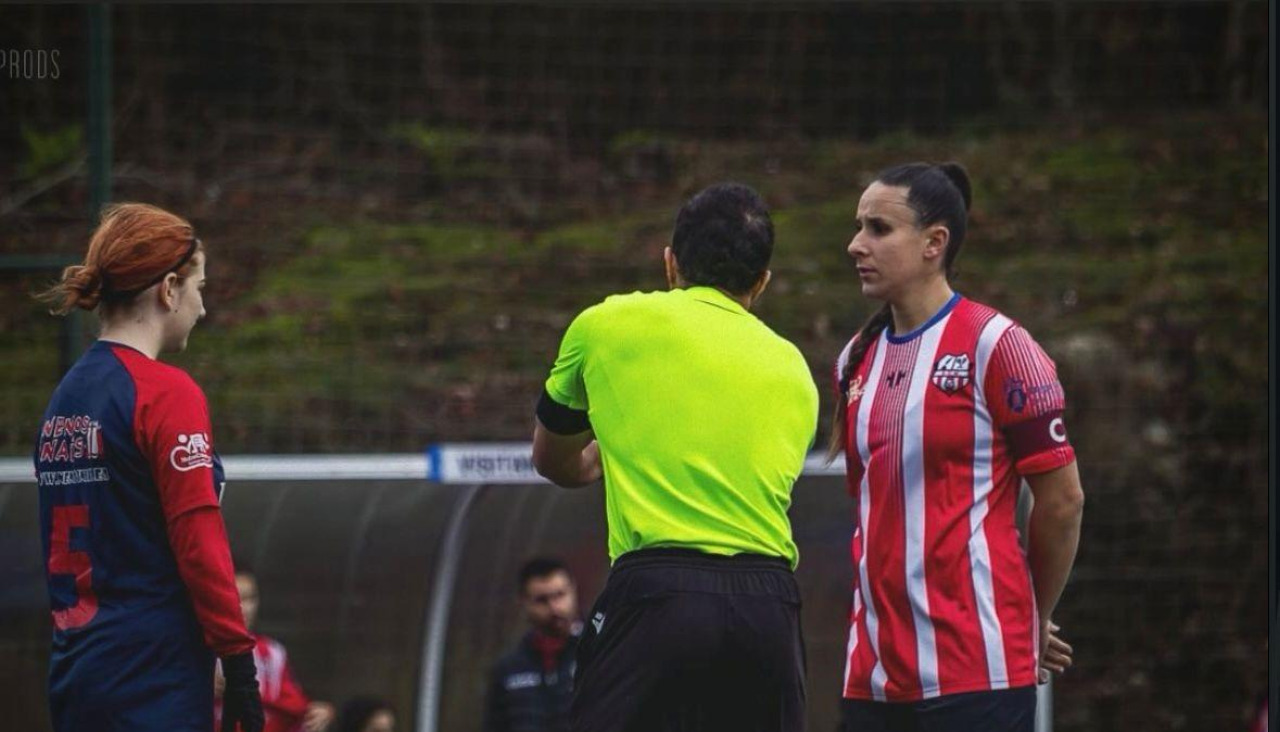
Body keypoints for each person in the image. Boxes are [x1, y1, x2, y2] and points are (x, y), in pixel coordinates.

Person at [532, 182, 819, 732]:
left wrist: (604, 454)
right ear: (761, 282)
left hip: (659, 595)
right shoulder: (795, 369)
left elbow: (552, 458)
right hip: (769, 604)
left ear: (670, 263)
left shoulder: (606, 325)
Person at [830, 162, 1083, 731]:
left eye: (878, 228)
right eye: (859, 226)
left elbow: (1063, 501)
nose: (856, 244)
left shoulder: (999, 345)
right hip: (872, 676)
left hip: (976, 676)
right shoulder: (854, 360)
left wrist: (1033, 617)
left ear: (934, 243)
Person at [33, 202, 263, 732]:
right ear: (169, 289)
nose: (202, 308)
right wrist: (238, 659)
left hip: (78, 675)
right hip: (153, 679)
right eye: (199, 287)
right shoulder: (165, 393)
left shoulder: (65, 398)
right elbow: (197, 534)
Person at [215, 563, 337, 732]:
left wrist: (319, 713)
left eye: (250, 598)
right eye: (236, 597)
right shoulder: (194, 650)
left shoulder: (273, 653)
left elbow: (292, 709)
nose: (245, 607)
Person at [483, 557, 583, 732]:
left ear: (573, 590)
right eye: (542, 600)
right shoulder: (508, 669)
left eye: (560, 595)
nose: (554, 608)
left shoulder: (597, 652)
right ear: (523, 601)